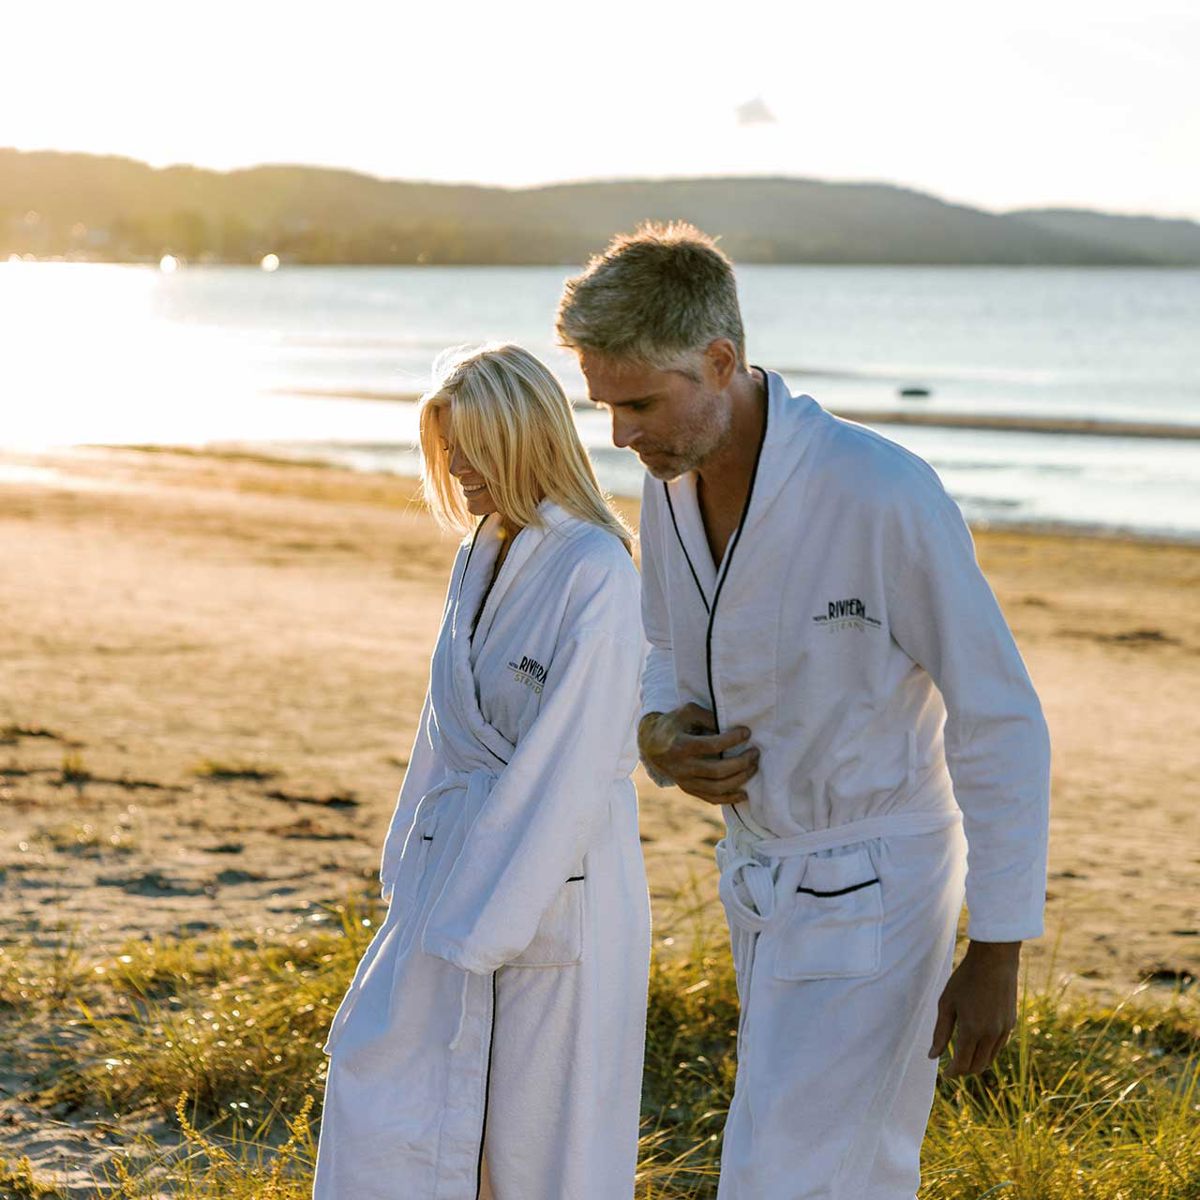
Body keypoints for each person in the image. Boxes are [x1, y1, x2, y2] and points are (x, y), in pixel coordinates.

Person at [556, 224, 1051, 1200]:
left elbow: (1000, 715)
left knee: (783, 1173)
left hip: (880, 886)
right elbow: (664, 648)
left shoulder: (879, 490)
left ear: (720, 361)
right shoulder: (671, 485)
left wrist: (998, 947)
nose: (619, 435)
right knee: (831, 1172)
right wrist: (659, 737)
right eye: (605, 406)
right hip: (759, 880)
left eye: (640, 403)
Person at [313, 344, 652, 1200]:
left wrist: (487, 921)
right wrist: (409, 866)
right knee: (403, 1105)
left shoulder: (596, 570)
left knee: (543, 1149)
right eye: (447, 449)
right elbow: (443, 727)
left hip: (557, 883)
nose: (458, 468)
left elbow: (574, 762)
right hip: (460, 866)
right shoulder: (480, 549)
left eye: (473, 448)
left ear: (525, 440)